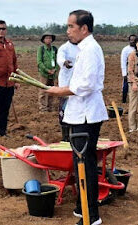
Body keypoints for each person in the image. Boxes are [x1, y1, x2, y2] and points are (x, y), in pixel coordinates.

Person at [46, 9, 107, 225]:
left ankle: (92, 217)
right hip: (80, 114)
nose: (67, 30)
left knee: (85, 165)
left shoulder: (90, 49)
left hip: (85, 116)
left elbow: (86, 85)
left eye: (71, 26)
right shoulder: (84, 48)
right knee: (80, 163)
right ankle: (83, 208)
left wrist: (58, 91)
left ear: (84, 28)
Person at [57, 40, 79, 141]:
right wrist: (64, 62)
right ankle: (65, 137)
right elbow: (60, 58)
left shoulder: (83, 47)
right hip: (65, 84)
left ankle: (76, 134)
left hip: (78, 84)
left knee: (76, 109)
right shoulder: (64, 48)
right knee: (64, 110)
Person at [37, 32, 59, 112]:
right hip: (44, 74)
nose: (48, 40)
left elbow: (57, 61)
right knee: (43, 91)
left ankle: (50, 107)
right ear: (43, 40)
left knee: (51, 91)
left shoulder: (54, 49)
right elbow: (39, 62)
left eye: (50, 38)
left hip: (53, 74)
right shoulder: (41, 49)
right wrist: (47, 70)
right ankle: (43, 108)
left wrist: (55, 69)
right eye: (46, 38)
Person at [120, 34, 136, 103]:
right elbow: (123, 61)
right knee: (126, 85)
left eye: (134, 40)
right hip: (128, 70)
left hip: (136, 70)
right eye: (131, 40)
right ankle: (124, 99)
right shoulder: (125, 49)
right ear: (129, 40)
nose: (132, 41)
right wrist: (124, 73)